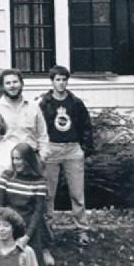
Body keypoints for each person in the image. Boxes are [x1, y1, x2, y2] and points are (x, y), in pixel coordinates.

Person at [39, 65, 93, 226]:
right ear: (52, 81)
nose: (61, 83)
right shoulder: (44, 103)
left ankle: (81, 226)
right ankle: (47, 227)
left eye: (64, 80)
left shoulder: (75, 102)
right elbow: (38, 126)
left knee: (77, 192)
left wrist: (85, 148)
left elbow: (86, 126)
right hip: (52, 148)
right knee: (49, 192)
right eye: (58, 80)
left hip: (72, 148)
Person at [0, 142, 52, 266]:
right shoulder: (6, 176)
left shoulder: (39, 181)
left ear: (28, 159)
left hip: (28, 225)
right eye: (13, 159)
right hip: (8, 222)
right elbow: (0, 206)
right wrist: (4, 228)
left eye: (19, 158)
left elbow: (38, 212)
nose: (16, 162)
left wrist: (27, 237)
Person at [0, 69, 47, 150]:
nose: (12, 86)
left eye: (15, 82)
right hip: (3, 157)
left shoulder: (33, 107)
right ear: (3, 87)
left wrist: (42, 155)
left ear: (22, 84)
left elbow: (42, 135)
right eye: (8, 83)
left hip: (30, 156)